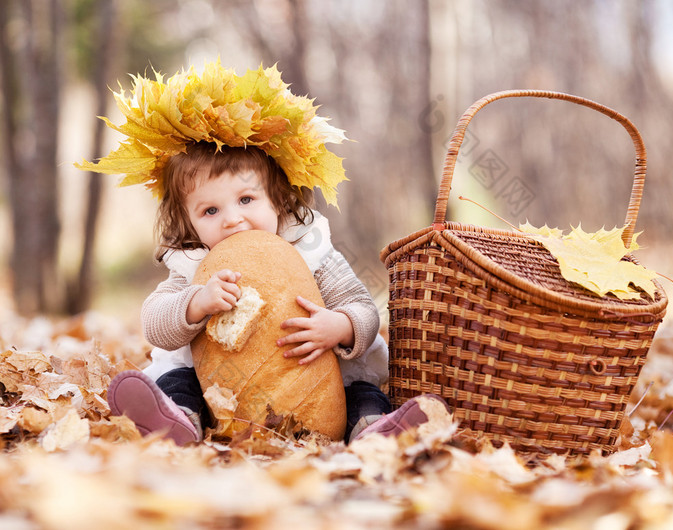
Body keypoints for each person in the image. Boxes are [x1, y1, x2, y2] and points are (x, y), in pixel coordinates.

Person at [77, 61, 450, 445]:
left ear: (278, 201)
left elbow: (363, 308)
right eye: (210, 210)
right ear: (188, 222)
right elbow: (155, 322)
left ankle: (372, 428)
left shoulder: (311, 251)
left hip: (322, 375)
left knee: (361, 391)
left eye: (246, 199)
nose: (232, 220)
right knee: (178, 379)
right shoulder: (192, 264)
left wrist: (340, 327)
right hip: (219, 387)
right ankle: (179, 421)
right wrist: (196, 303)